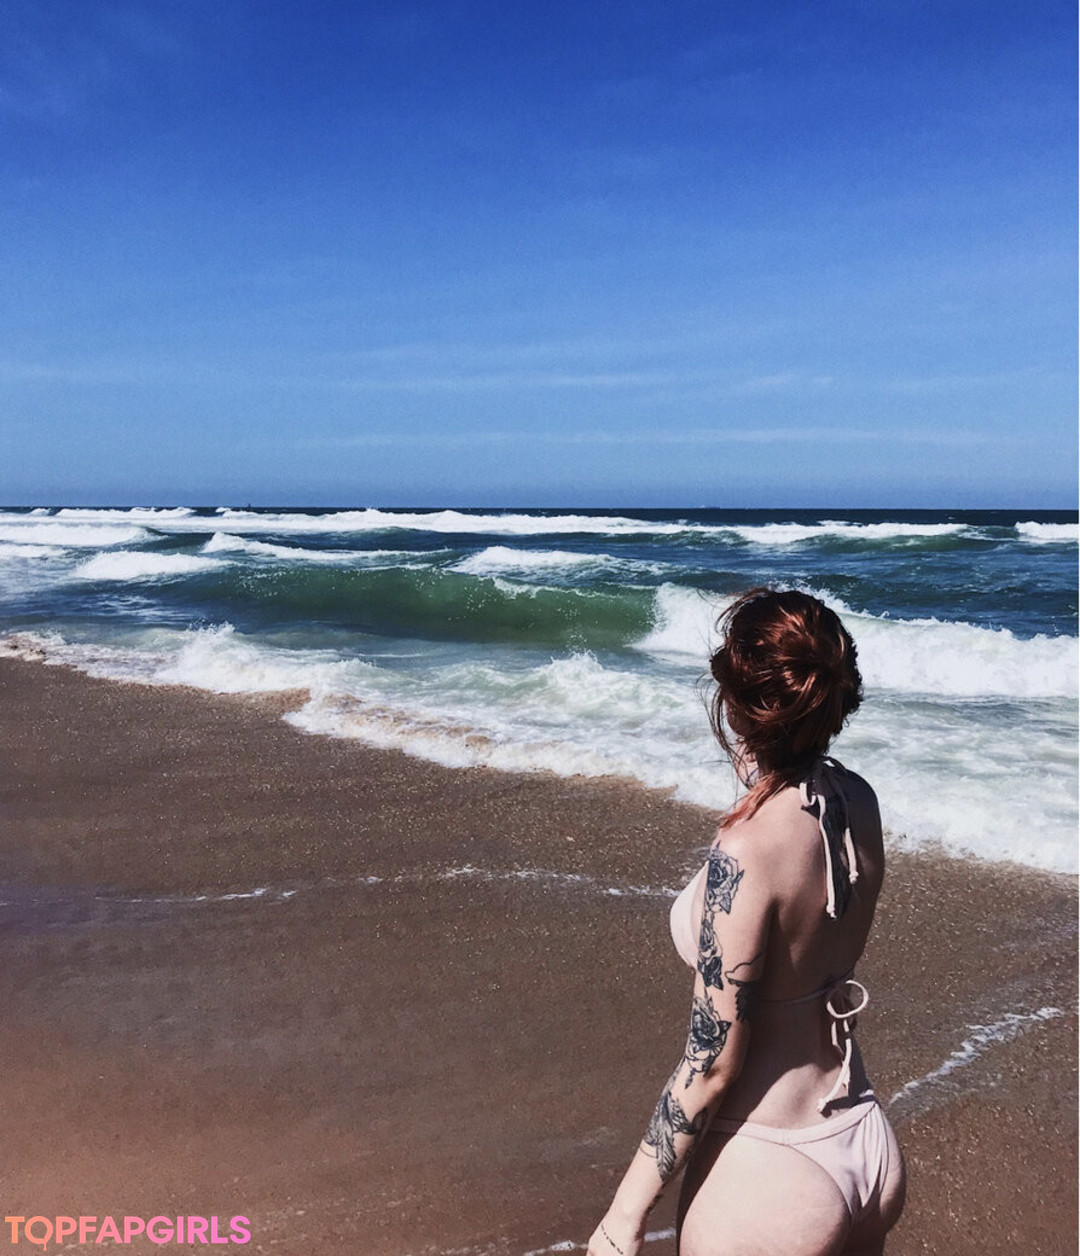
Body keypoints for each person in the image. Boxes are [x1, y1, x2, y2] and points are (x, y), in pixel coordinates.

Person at [587, 588, 906, 1256]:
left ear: (737, 704)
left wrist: (623, 1216)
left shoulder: (746, 850)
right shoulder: (857, 800)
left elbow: (711, 1065)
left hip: (773, 1167)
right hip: (863, 1135)